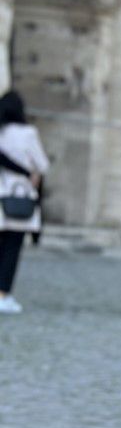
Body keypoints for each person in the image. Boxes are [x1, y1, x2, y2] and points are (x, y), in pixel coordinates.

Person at [0, 90, 49, 315]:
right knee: (11, 248)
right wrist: (30, 172)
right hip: (18, 195)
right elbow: (42, 164)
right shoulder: (27, 133)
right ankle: (3, 295)